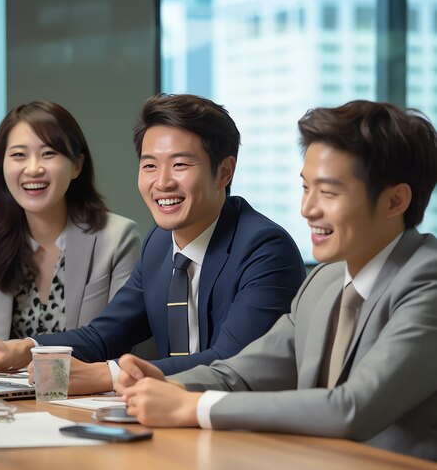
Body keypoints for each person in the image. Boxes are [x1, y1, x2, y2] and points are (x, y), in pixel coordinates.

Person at [116, 100, 437, 461]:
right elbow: (238, 374)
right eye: (305, 188)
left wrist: (195, 407)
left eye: (328, 192)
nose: (307, 209)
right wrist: (163, 384)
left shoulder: (428, 281)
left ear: (395, 200)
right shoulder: (326, 281)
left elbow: (351, 408)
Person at [0, 93, 306, 394]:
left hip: (248, 432)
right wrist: (23, 349)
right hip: (173, 419)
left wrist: (107, 375)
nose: (162, 182)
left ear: (225, 172)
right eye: (150, 165)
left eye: (181, 165)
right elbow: (104, 335)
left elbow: (231, 361)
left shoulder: (264, 248)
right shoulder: (159, 243)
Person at [0, 100, 140, 371]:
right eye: (18, 155)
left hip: (83, 393)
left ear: (76, 166)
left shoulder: (117, 237)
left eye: (49, 153)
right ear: (1, 166)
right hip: (7, 396)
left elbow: (117, 337)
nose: (33, 168)